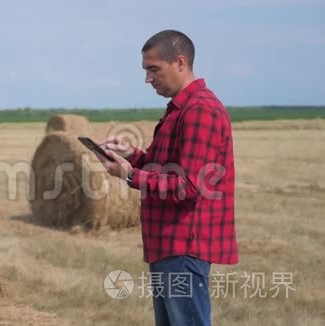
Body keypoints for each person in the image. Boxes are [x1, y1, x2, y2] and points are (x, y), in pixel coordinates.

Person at [95, 30, 238, 326]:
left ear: (180, 63)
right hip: (169, 245)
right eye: (146, 70)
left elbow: (189, 186)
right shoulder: (180, 109)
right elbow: (167, 168)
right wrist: (132, 155)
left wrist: (131, 175)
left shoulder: (200, 110)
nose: (148, 78)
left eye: (153, 69)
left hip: (184, 247)